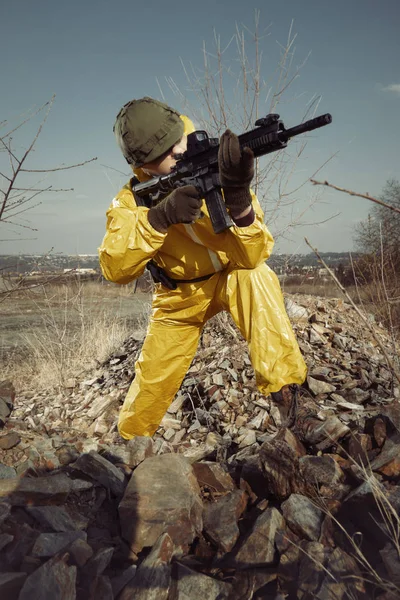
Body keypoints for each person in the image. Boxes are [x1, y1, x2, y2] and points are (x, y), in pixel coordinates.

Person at [98, 97, 346, 446]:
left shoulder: (217, 160)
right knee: (153, 382)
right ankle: (127, 448)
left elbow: (254, 255)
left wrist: (240, 201)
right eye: (161, 156)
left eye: (176, 143)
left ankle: (295, 406)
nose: (175, 155)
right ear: (141, 165)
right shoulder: (131, 201)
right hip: (178, 298)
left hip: (231, 278)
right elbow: (114, 268)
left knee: (256, 277)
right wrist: (157, 219)